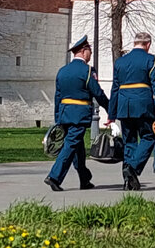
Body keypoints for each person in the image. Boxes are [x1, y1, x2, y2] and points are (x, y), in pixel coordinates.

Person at [45, 35, 108, 192]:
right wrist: (110, 109)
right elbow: (98, 93)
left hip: (65, 113)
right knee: (71, 144)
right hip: (79, 114)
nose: (91, 55)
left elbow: (58, 96)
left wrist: (57, 117)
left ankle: (84, 178)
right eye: (90, 51)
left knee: (77, 147)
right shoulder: (86, 71)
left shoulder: (63, 71)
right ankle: (54, 176)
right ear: (84, 51)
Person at [107, 31, 155, 191]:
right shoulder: (151, 59)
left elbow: (115, 89)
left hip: (124, 106)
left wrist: (111, 114)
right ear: (148, 44)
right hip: (143, 105)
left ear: (134, 43)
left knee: (129, 141)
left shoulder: (120, 62)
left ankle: (128, 180)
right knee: (149, 137)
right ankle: (134, 168)